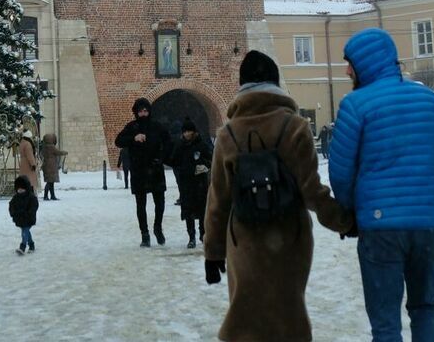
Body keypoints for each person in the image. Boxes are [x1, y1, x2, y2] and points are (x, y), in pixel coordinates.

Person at [328, 28, 434, 342]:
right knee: (425, 307)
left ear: (367, 63)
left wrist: (349, 212)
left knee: (386, 322)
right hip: (427, 226)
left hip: (380, 227)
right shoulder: (431, 102)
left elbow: (340, 172)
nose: (348, 70)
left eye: (350, 63)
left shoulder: (355, 105)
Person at [204, 50, 354, 342]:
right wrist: (343, 221)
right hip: (289, 237)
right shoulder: (294, 126)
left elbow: (218, 199)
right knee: (288, 313)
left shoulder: (228, 134)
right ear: (275, 83)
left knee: (245, 316)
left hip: (243, 239)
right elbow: (312, 191)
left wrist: (213, 253)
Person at [113, 97, 172, 247]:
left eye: (145, 110)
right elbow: (119, 141)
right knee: (141, 204)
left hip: (155, 168)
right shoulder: (132, 127)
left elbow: (168, 143)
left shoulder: (157, 126)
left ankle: (157, 227)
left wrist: (161, 158)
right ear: (136, 112)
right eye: (140, 111)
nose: (143, 113)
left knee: (160, 202)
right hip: (139, 170)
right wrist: (134, 138)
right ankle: (144, 234)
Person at [170, 117, 213, 248]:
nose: (187, 134)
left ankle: (202, 234)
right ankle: (191, 236)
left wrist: (204, 166)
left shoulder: (201, 145)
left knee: (202, 210)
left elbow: (211, 158)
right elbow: (174, 161)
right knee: (188, 211)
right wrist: (183, 170)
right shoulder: (180, 146)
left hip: (200, 183)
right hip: (186, 183)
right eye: (185, 132)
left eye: (189, 131)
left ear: (194, 132)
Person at [9, 175, 39, 255]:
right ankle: (31, 245)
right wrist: (13, 213)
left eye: (22, 189)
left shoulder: (31, 197)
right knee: (26, 231)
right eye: (18, 189)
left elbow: (34, 206)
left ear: (26, 188)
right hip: (19, 218)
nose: (20, 190)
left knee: (24, 231)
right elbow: (11, 206)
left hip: (28, 218)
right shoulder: (15, 198)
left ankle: (22, 247)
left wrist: (28, 213)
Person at [40, 132, 67, 201]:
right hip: (51, 167)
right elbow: (58, 152)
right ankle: (46, 196)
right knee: (49, 183)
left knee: (50, 182)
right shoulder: (51, 147)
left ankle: (52, 196)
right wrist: (64, 152)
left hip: (46, 166)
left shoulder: (44, 147)